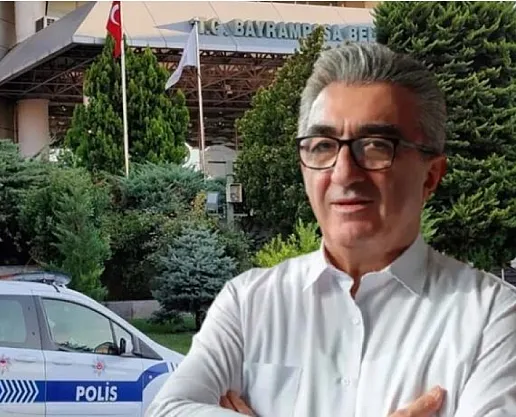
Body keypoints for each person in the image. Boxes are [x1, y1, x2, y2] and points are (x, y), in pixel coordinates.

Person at [145, 42, 516, 417]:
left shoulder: (492, 317)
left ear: (431, 176)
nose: (343, 173)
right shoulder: (249, 303)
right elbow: (168, 410)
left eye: (376, 146)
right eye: (323, 146)